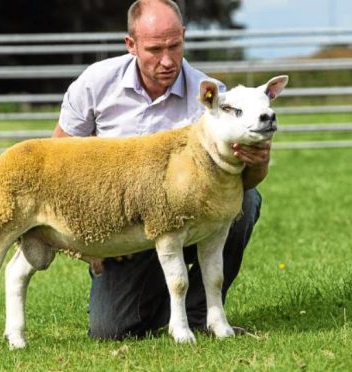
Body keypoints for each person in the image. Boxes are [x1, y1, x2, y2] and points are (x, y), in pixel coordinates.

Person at [53, 0, 271, 339]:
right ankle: (162, 304)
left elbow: (241, 179)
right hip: (121, 229)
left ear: (184, 36)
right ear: (131, 45)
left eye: (175, 46)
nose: (167, 60)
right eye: (154, 49)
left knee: (247, 199)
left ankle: (201, 313)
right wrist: (87, 245)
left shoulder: (213, 98)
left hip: (190, 216)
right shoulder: (96, 84)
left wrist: (260, 162)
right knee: (111, 330)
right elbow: (59, 159)